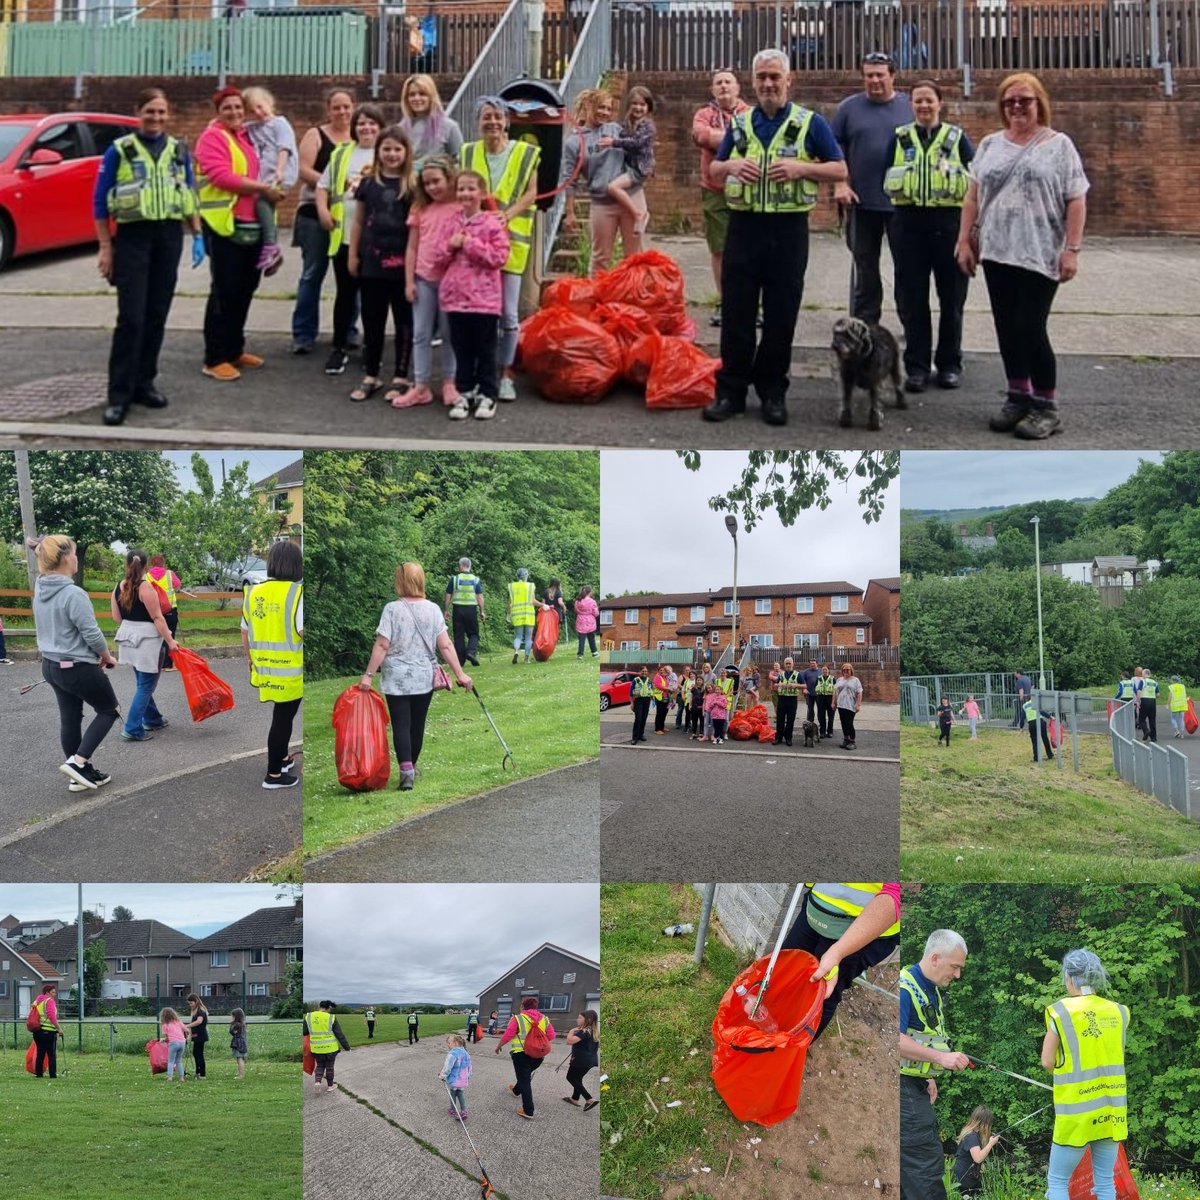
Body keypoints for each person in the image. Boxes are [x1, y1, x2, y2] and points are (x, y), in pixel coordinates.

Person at [705, 48, 846, 426]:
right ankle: (730, 392)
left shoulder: (810, 123)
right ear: (752, 82)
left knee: (781, 316)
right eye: (762, 77)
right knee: (737, 312)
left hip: (788, 231)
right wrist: (732, 164)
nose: (768, 84)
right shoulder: (740, 124)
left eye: (775, 77)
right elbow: (716, 171)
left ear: (789, 80)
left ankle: (773, 392)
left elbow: (840, 169)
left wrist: (802, 168)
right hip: (744, 228)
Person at [956, 73, 1089, 439]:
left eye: (1024, 100)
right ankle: (1018, 395)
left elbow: (1076, 198)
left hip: (1040, 251)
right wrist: (964, 241)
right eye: (1009, 101)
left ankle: (1047, 406)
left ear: (1039, 103)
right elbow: (973, 196)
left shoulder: (1059, 145)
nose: (1016, 107)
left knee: (1030, 327)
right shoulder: (989, 144)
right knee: (1006, 326)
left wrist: (1071, 250)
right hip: (998, 251)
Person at [92, 86, 202, 426]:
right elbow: (99, 201)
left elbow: (189, 195)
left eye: (161, 112)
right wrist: (106, 247)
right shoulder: (120, 150)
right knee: (132, 318)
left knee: (156, 314)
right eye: (149, 111)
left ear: (168, 115)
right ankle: (119, 395)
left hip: (169, 237)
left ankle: (145, 383)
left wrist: (197, 234)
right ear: (138, 112)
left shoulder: (178, 150)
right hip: (132, 240)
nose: (155, 118)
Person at [885, 80, 973, 392]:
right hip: (908, 225)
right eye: (918, 101)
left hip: (948, 224)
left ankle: (950, 364)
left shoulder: (957, 138)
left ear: (940, 103)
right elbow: (886, 174)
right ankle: (917, 367)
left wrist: (970, 233)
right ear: (911, 105)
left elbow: (975, 185)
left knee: (951, 299)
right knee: (913, 299)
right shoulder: (899, 137)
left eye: (929, 101)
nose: (923, 106)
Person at [359, 561, 473, 792]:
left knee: (401, 724)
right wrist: (460, 674)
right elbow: (446, 645)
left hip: (396, 678)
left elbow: (382, 645)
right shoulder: (432, 609)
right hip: (423, 677)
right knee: (417, 724)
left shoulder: (392, 609)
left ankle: (406, 771)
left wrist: (368, 675)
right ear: (420, 581)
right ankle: (412, 766)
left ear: (400, 582)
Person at [459, 98, 540, 401]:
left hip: (511, 244)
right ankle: (482, 373)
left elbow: (532, 192)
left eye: (497, 117)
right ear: (478, 122)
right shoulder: (467, 152)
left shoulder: (526, 152)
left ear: (506, 121)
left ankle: (507, 373)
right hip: (477, 247)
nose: (492, 122)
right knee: (482, 315)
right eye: (486, 117)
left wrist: (508, 214)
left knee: (507, 314)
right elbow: (461, 192)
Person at [195, 85, 276, 382]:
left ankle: (234, 349)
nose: (234, 112)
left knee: (245, 288)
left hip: (249, 224)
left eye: (238, 107)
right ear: (217, 111)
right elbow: (221, 176)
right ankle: (214, 357)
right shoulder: (212, 138)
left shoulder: (244, 137)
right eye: (227, 108)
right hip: (223, 225)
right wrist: (262, 189)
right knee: (224, 290)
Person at [31, 534, 119, 792]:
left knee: (70, 718)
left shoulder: (41, 588)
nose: (77, 558)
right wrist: (107, 657)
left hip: (50, 665)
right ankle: (78, 763)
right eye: (74, 553)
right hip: (75, 667)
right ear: (64, 558)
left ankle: (77, 775)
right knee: (109, 710)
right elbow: (91, 633)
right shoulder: (73, 593)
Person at [832, 52, 913, 326]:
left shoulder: (910, 106)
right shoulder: (848, 108)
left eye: (880, 74)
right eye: (869, 75)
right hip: (861, 202)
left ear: (893, 76)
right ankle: (865, 326)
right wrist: (841, 183)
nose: (874, 80)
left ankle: (912, 326)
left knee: (907, 267)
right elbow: (834, 150)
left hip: (903, 204)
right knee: (865, 267)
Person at [1042, 949, 1129, 1200]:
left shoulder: (1061, 1011)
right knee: (1104, 1184)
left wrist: (1065, 1079)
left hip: (1076, 1114)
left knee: (1058, 1182)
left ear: (1068, 976)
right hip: (1111, 1111)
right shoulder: (1118, 1011)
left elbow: (1047, 1060)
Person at [899, 929, 971, 1200]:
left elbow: (920, 1038)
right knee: (925, 1166)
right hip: (903, 1091)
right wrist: (942, 1058)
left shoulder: (931, 990)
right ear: (935, 958)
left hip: (914, 1084)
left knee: (910, 1171)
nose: (957, 975)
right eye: (955, 967)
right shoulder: (906, 988)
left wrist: (928, 1076)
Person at [434, 167, 511, 420]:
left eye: (471, 188)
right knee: (462, 349)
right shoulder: (450, 222)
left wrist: (470, 244)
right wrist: (450, 246)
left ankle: (488, 393)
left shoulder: (491, 222)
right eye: (461, 188)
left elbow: (499, 257)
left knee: (485, 350)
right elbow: (437, 257)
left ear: (482, 193)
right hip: (455, 299)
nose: (465, 193)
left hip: (484, 301)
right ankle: (464, 391)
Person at [315, 103, 383, 380]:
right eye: (361, 123)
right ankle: (339, 346)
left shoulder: (387, 153)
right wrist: (322, 212)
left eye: (372, 123)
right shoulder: (342, 153)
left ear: (381, 127)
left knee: (372, 297)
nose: (366, 128)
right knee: (345, 293)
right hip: (343, 236)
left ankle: (371, 347)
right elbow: (323, 186)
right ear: (354, 128)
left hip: (376, 238)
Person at [349, 125, 416, 403]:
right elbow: (358, 220)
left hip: (403, 266)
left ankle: (401, 376)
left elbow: (416, 229)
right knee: (372, 320)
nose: (391, 154)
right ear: (378, 152)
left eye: (397, 149)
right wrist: (353, 255)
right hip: (372, 263)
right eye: (386, 149)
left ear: (406, 152)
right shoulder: (367, 184)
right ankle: (371, 373)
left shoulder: (412, 185)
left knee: (403, 322)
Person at [781, 883, 900, 1039]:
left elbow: (896, 894)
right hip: (817, 907)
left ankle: (792, 1052)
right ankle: (776, 1029)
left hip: (859, 928)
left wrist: (837, 953)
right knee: (784, 972)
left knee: (821, 995)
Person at [292, 88, 356, 355]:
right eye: (336, 107)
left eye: (346, 106)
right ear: (328, 110)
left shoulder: (359, 137)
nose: (342, 112)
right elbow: (302, 169)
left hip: (349, 218)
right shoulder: (315, 135)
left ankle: (348, 330)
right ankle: (303, 334)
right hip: (313, 214)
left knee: (350, 277)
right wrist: (332, 185)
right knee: (312, 274)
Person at [560, 89, 646, 277]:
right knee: (600, 258)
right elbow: (569, 179)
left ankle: (633, 301)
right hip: (602, 203)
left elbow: (639, 146)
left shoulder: (616, 129)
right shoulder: (574, 142)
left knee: (634, 257)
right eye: (601, 107)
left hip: (631, 197)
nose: (605, 113)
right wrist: (570, 212)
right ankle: (597, 302)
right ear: (588, 106)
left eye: (608, 109)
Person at [396, 155, 460, 407]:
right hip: (424, 279)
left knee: (449, 333)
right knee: (420, 333)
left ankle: (449, 382)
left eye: (437, 181)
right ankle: (421, 385)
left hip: (450, 281)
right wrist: (409, 281)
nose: (433, 187)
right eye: (427, 183)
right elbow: (411, 247)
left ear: (449, 178)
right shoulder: (420, 209)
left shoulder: (459, 208)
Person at [242, 540, 304, 790]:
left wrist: (249, 659)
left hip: (265, 667)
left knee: (282, 716)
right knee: (283, 719)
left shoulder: (254, 592)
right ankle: (274, 775)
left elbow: (244, 631)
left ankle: (282, 758)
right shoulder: (297, 594)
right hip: (291, 671)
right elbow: (301, 630)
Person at [692, 68, 751, 326]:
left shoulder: (751, 113)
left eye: (728, 82)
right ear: (712, 90)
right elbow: (701, 136)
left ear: (738, 88)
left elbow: (756, 141)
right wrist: (736, 139)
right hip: (715, 190)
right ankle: (725, 302)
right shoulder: (703, 114)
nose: (724, 86)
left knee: (749, 250)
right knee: (720, 250)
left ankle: (751, 304)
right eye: (719, 83)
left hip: (747, 189)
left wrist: (719, 140)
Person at [111, 548, 179, 744]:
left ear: (127, 564)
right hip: (148, 642)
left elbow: (117, 618)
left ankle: (152, 719)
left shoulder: (118, 587)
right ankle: (132, 727)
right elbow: (157, 617)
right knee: (146, 685)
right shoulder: (145, 588)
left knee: (143, 683)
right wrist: (170, 640)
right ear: (146, 566)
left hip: (128, 640)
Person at [241, 85, 298, 275]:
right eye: (252, 111)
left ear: (269, 102)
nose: (258, 113)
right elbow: (232, 124)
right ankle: (268, 249)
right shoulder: (253, 127)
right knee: (264, 208)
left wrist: (280, 170)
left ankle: (271, 245)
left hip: (280, 173)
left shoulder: (280, 123)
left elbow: (285, 148)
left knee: (261, 202)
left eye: (260, 106)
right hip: (264, 177)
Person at [600, 85, 656, 235]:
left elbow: (636, 143)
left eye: (642, 105)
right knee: (632, 192)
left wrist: (614, 142)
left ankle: (638, 213)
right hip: (629, 166)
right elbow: (621, 132)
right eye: (635, 104)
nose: (638, 108)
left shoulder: (648, 126)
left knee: (613, 188)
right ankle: (639, 215)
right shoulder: (628, 123)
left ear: (648, 107)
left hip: (639, 168)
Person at [495, 994, 556, 1119]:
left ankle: (528, 1110)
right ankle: (516, 1090)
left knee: (525, 1080)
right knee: (525, 1076)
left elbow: (508, 1034)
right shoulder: (544, 1019)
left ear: (523, 1006)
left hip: (521, 1054)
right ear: (535, 1006)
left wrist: (499, 1045)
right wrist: (538, 1041)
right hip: (539, 1055)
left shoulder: (517, 1018)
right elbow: (551, 1036)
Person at [399, 74, 463, 170]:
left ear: (431, 96)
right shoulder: (400, 129)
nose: (417, 98)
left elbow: (460, 161)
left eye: (422, 94)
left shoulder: (450, 127)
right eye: (412, 95)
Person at [444, 557, 484, 667]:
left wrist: (446, 610)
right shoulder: (475, 580)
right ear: (470, 566)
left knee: (458, 635)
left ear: (461, 566)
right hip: (471, 609)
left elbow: (448, 595)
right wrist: (482, 611)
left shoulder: (455, 579)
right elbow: (480, 597)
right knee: (474, 633)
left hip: (458, 609)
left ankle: (460, 661)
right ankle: (471, 652)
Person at [146, 554, 182, 670]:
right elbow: (177, 586)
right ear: (163, 563)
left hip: (153, 612)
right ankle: (168, 664)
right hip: (170, 610)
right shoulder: (169, 574)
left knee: (155, 637)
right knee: (170, 637)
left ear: (152, 563)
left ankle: (156, 663)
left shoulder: (147, 576)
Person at [306, 999, 351, 1093]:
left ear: (320, 1006)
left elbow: (304, 1032)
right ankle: (330, 1086)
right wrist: (347, 1047)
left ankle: (317, 1082)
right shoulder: (331, 1017)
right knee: (329, 1067)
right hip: (330, 1048)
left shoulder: (309, 1016)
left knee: (319, 1066)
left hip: (316, 1048)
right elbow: (339, 1034)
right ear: (328, 1008)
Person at [953, 1106, 1000, 1195]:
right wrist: (991, 1143)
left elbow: (972, 1157)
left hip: (967, 1179)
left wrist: (980, 1166)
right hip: (964, 1181)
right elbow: (978, 1158)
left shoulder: (972, 1134)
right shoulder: (972, 1137)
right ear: (985, 1123)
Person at [563, 1009, 600, 1111]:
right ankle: (574, 1099)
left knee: (570, 1077)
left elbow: (569, 1041)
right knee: (578, 1079)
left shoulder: (584, 1031)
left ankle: (589, 1099)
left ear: (587, 1020)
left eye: (580, 1018)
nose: (577, 1019)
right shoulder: (594, 1031)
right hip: (590, 1061)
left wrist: (571, 1032)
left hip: (580, 1061)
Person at [507, 567, 539, 664]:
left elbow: (509, 603)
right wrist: (543, 605)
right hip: (529, 614)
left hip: (516, 614)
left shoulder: (512, 586)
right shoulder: (530, 586)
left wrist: (509, 613)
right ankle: (526, 658)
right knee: (528, 637)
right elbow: (533, 601)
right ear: (526, 575)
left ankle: (516, 651)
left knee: (518, 636)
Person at [30, 982, 60, 1078]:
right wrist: (59, 1029)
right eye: (53, 992)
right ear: (47, 992)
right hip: (49, 1032)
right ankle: (52, 1075)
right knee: (51, 1055)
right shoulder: (49, 1001)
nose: (54, 994)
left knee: (40, 1053)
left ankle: (39, 1074)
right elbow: (51, 1016)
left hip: (38, 1032)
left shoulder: (37, 1001)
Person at [773, 656, 802, 746]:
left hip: (792, 699)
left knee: (790, 720)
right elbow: (775, 685)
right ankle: (779, 738)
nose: (788, 665)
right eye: (787, 663)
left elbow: (805, 685)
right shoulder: (781, 675)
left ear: (793, 664)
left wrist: (796, 685)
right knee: (780, 719)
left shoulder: (798, 674)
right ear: (784, 665)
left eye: (790, 663)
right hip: (782, 698)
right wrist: (779, 684)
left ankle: (788, 738)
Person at [441, 1034, 472, 1117]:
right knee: (460, 1094)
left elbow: (447, 1067)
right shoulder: (465, 1053)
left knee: (453, 1093)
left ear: (455, 1043)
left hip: (454, 1080)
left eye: (449, 1043)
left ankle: (453, 1109)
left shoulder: (453, 1054)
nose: (448, 1044)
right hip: (463, 1080)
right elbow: (470, 1067)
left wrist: (442, 1075)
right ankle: (463, 1111)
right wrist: (468, 1076)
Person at [835, 662, 863, 750]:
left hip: (851, 705)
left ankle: (852, 741)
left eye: (848, 670)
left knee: (849, 723)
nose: (846, 671)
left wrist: (858, 704)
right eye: (844, 670)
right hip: (841, 705)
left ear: (851, 670)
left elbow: (859, 692)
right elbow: (835, 692)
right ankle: (846, 739)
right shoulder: (839, 679)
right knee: (843, 723)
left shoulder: (855, 680)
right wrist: (833, 702)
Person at [183, 994, 210, 1079]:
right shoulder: (195, 1012)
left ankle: (202, 1074)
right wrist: (189, 1034)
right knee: (195, 1053)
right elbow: (195, 1025)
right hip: (196, 1035)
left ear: (196, 1001)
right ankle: (198, 1072)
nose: (190, 1005)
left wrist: (187, 1026)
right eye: (189, 1003)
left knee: (199, 1054)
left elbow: (199, 1022)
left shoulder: (200, 1011)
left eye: (191, 1003)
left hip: (200, 1035)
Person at [160, 1005, 189, 1082]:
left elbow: (167, 1038)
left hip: (173, 1043)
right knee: (179, 1061)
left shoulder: (165, 1025)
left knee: (171, 1061)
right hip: (182, 1042)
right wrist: (186, 1036)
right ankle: (181, 1077)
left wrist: (163, 1040)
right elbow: (187, 1030)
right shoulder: (178, 1022)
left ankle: (170, 1077)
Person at [1024, 696, 1055, 762]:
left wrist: (1021, 727)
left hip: (1031, 724)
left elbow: (1022, 716)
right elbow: (1042, 712)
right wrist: (1050, 717)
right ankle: (1049, 754)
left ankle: (1036, 757)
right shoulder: (1035, 703)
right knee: (1045, 739)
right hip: (1040, 722)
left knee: (1034, 741)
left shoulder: (1024, 706)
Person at [574, 585, 599, 659]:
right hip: (590, 620)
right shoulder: (592, 601)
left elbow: (576, 610)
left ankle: (580, 654)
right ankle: (594, 652)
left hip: (581, 620)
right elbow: (596, 612)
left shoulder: (578, 601)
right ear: (590, 592)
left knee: (581, 638)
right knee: (591, 637)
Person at [630, 665, 653, 744]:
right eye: (643, 671)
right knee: (638, 719)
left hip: (646, 701)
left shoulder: (649, 680)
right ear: (640, 672)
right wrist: (632, 703)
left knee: (644, 719)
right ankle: (634, 737)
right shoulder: (635, 680)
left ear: (647, 672)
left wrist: (651, 700)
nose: (644, 672)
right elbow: (631, 693)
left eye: (645, 671)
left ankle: (641, 735)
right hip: (638, 701)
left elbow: (651, 690)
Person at [814, 662, 836, 739]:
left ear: (828, 671)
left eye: (825, 670)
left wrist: (834, 701)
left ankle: (830, 731)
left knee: (831, 716)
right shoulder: (819, 678)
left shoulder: (832, 679)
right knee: (821, 716)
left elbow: (835, 690)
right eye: (823, 670)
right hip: (821, 698)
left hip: (830, 698)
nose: (824, 671)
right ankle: (822, 732)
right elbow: (815, 687)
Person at [1138, 668, 1159, 742]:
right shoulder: (1154, 682)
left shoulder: (1142, 681)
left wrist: (1138, 701)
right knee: (1152, 720)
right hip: (1153, 701)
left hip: (1144, 700)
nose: (1142, 675)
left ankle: (1146, 731)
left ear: (1145, 674)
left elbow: (1139, 691)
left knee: (1141, 719)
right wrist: (1153, 697)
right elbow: (1158, 694)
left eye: (1142, 673)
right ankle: (1154, 737)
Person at [801, 657, 821, 727]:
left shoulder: (821, 671)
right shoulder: (806, 672)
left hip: (819, 694)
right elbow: (802, 681)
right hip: (809, 694)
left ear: (817, 664)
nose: (812, 665)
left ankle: (821, 723)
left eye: (814, 663)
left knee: (820, 709)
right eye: (811, 663)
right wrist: (804, 689)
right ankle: (810, 723)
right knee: (810, 709)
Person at [652, 664, 671, 734]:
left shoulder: (664, 677)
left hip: (665, 697)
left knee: (664, 713)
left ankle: (662, 727)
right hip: (659, 697)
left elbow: (666, 685)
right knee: (659, 713)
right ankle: (657, 729)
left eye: (663, 670)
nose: (662, 671)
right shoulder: (657, 677)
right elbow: (659, 686)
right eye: (661, 670)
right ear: (658, 671)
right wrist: (668, 688)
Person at [230, 1007, 247, 1078]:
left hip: (238, 1044)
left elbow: (233, 1032)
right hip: (242, 1044)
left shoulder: (237, 1025)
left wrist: (232, 1025)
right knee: (240, 1059)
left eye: (232, 1016)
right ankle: (240, 1072)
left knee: (239, 1059)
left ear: (236, 1017)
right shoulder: (242, 1024)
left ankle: (241, 1075)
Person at [687, 671, 705, 738]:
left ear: (702, 681)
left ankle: (701, 733)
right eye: (698, 680)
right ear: (696, 681)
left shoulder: (704, 689)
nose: (699, 681)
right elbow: (691, 697)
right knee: (694, 720)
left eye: (700, 680)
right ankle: (694, 733)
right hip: (694, 706)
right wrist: (690, 705)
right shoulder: (693, 688)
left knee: (702, 721)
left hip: (702, 707)